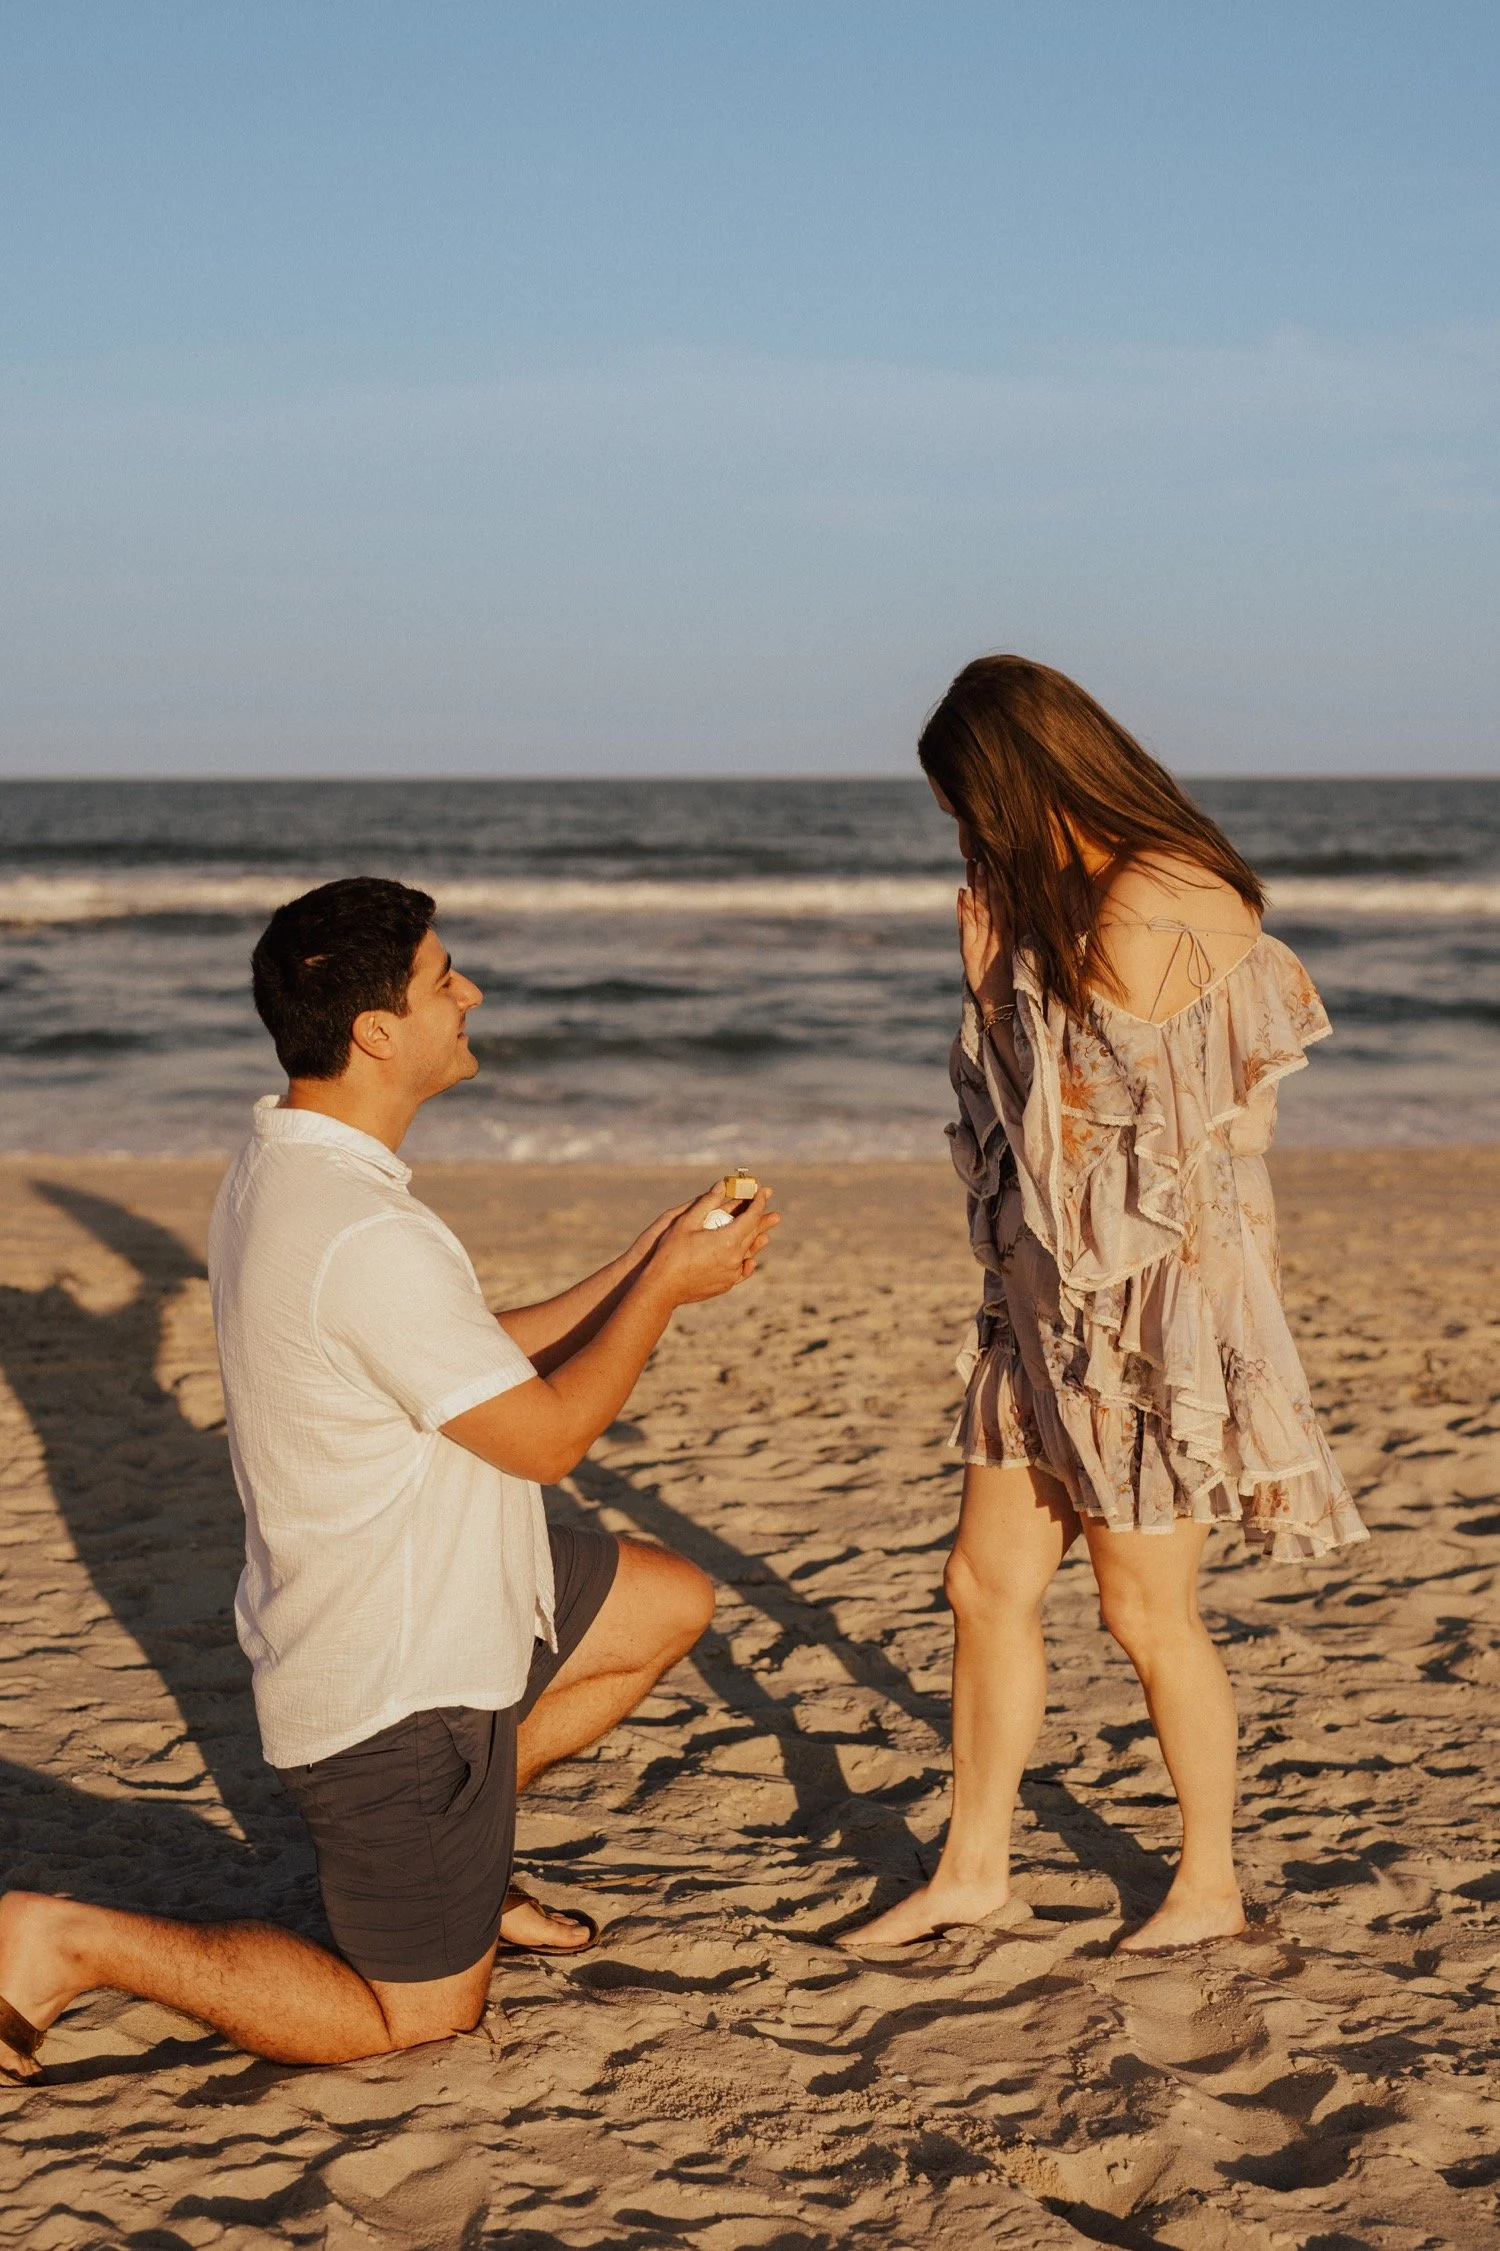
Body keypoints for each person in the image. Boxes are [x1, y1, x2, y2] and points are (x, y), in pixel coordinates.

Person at [0, 877, 776, 2078]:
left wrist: (638, 1261)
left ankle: (470, 1856)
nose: (470, 993)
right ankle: (67, 1939)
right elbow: (548, 1440)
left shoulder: (287, 1161)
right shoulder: (365, 1232)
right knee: (410, 2024)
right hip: (397, 1680)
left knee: (669, 1600)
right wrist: (666, 1298)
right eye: (442, 978)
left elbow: (455, 1346)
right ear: (376, 1030)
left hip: (454, 1587)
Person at [842, 657, 1368, 1956]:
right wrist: (1000, 989)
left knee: (1145, 1609)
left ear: (1013, 782)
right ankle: (974, 1865)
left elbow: (1089, 1157)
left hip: (1139, 1321)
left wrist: (989, 998)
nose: (966, 836)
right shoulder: (1104, 897)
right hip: (1046, 1310)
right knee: (982, 1581)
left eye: (967, 804)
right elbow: (1045, 1154)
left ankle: (1209, 1878)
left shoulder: (1147, 906)